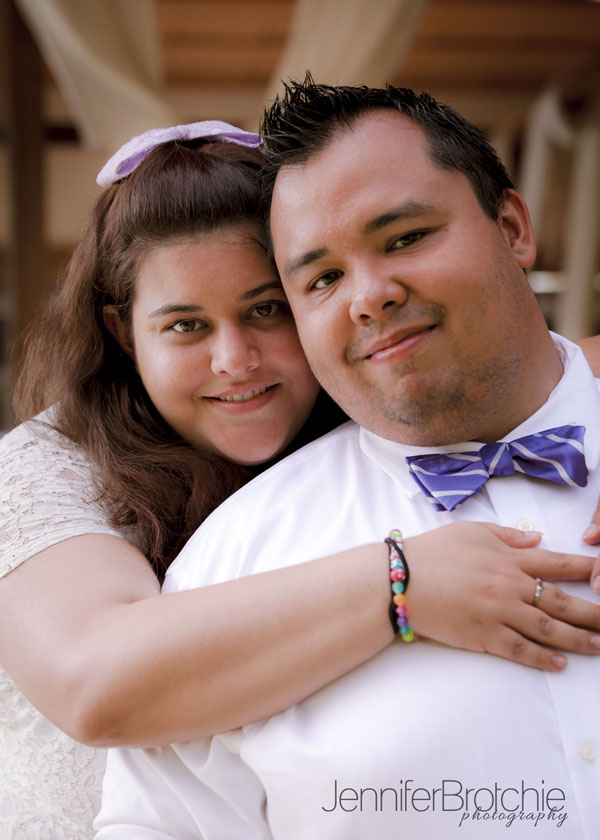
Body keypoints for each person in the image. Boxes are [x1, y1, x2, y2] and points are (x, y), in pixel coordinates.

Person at [94, 81, 600, 839]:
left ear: (512, 225)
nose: (368, 296)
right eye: (322, 278)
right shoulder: (231, 567)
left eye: (404, 238)